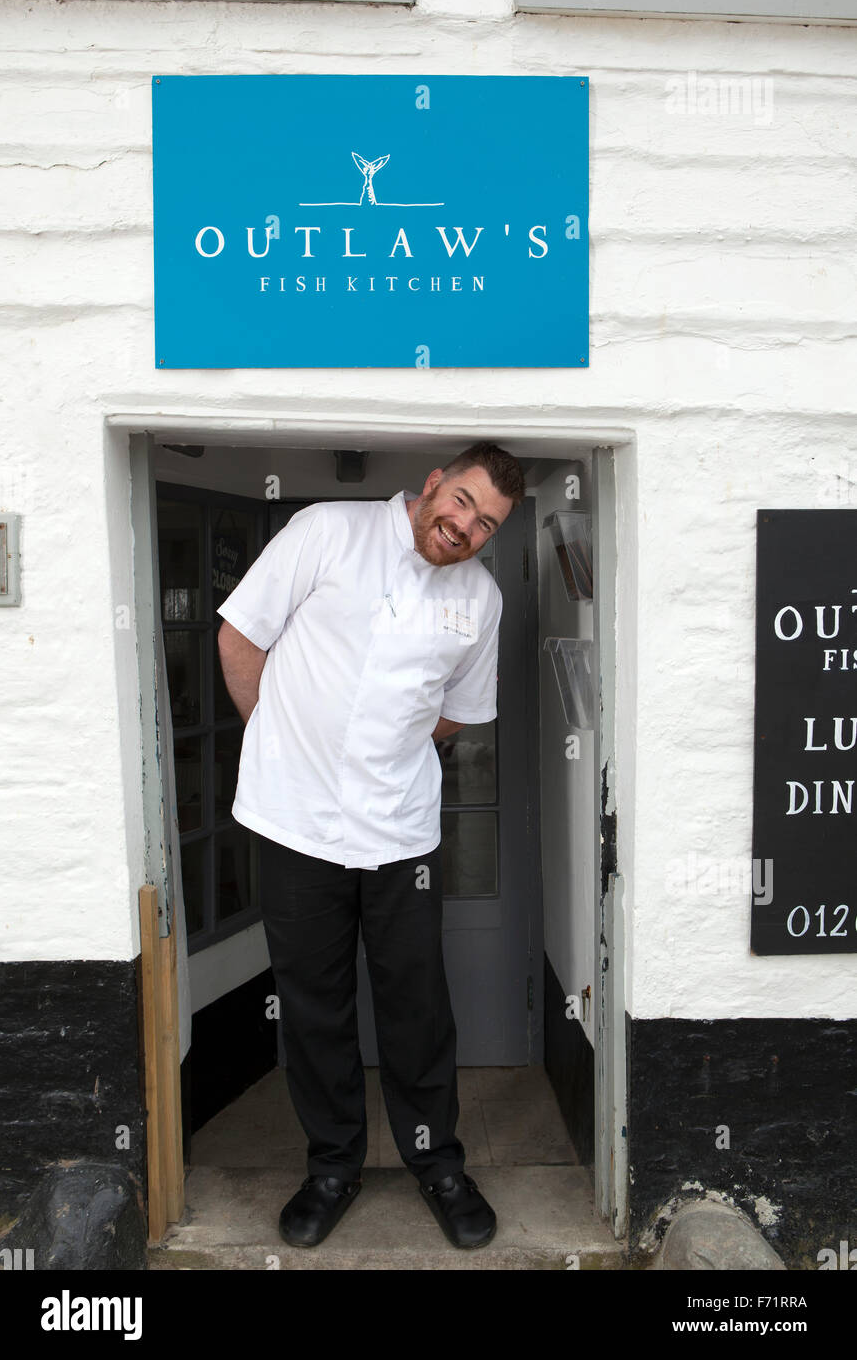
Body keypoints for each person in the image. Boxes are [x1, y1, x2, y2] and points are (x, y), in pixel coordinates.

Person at [216, 442, 524, 1249]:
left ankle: (438, 1165)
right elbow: (240, 638)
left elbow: (459, 710)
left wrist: (383, 751)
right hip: (294, 826)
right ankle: (332, 1169)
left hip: (402, 833)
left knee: (417, 1010)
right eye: (460, 501)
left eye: (485, 522)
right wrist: (281, 742)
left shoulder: (481, 599)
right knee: (314, 1007)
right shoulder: (326, 531)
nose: (464, 525)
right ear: (432, 485)